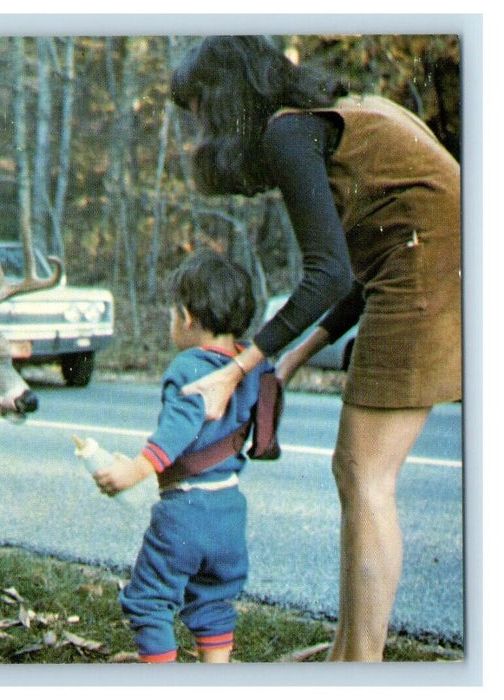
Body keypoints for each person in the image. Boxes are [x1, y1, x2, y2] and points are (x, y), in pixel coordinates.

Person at [168, 36, 461, 661]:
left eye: (198, 109)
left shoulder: (286, 134)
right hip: (425, 263)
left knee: (365, 474)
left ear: (226, 98)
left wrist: (240, 367)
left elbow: (327, 273)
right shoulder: (337, 118)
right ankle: (349, 652)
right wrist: (295, 355)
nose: (198, 127)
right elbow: (365, 262)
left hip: (436, 271)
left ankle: (361, 665)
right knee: (357, 474)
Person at [90, 250, 272, 663]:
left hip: (185, 513)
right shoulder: (253, 367)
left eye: (174, 315)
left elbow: (181, 425)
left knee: (148, 602)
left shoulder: (190, 366)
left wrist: (135, 469)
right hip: (229, 508)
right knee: (212, 603)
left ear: (187, 317)